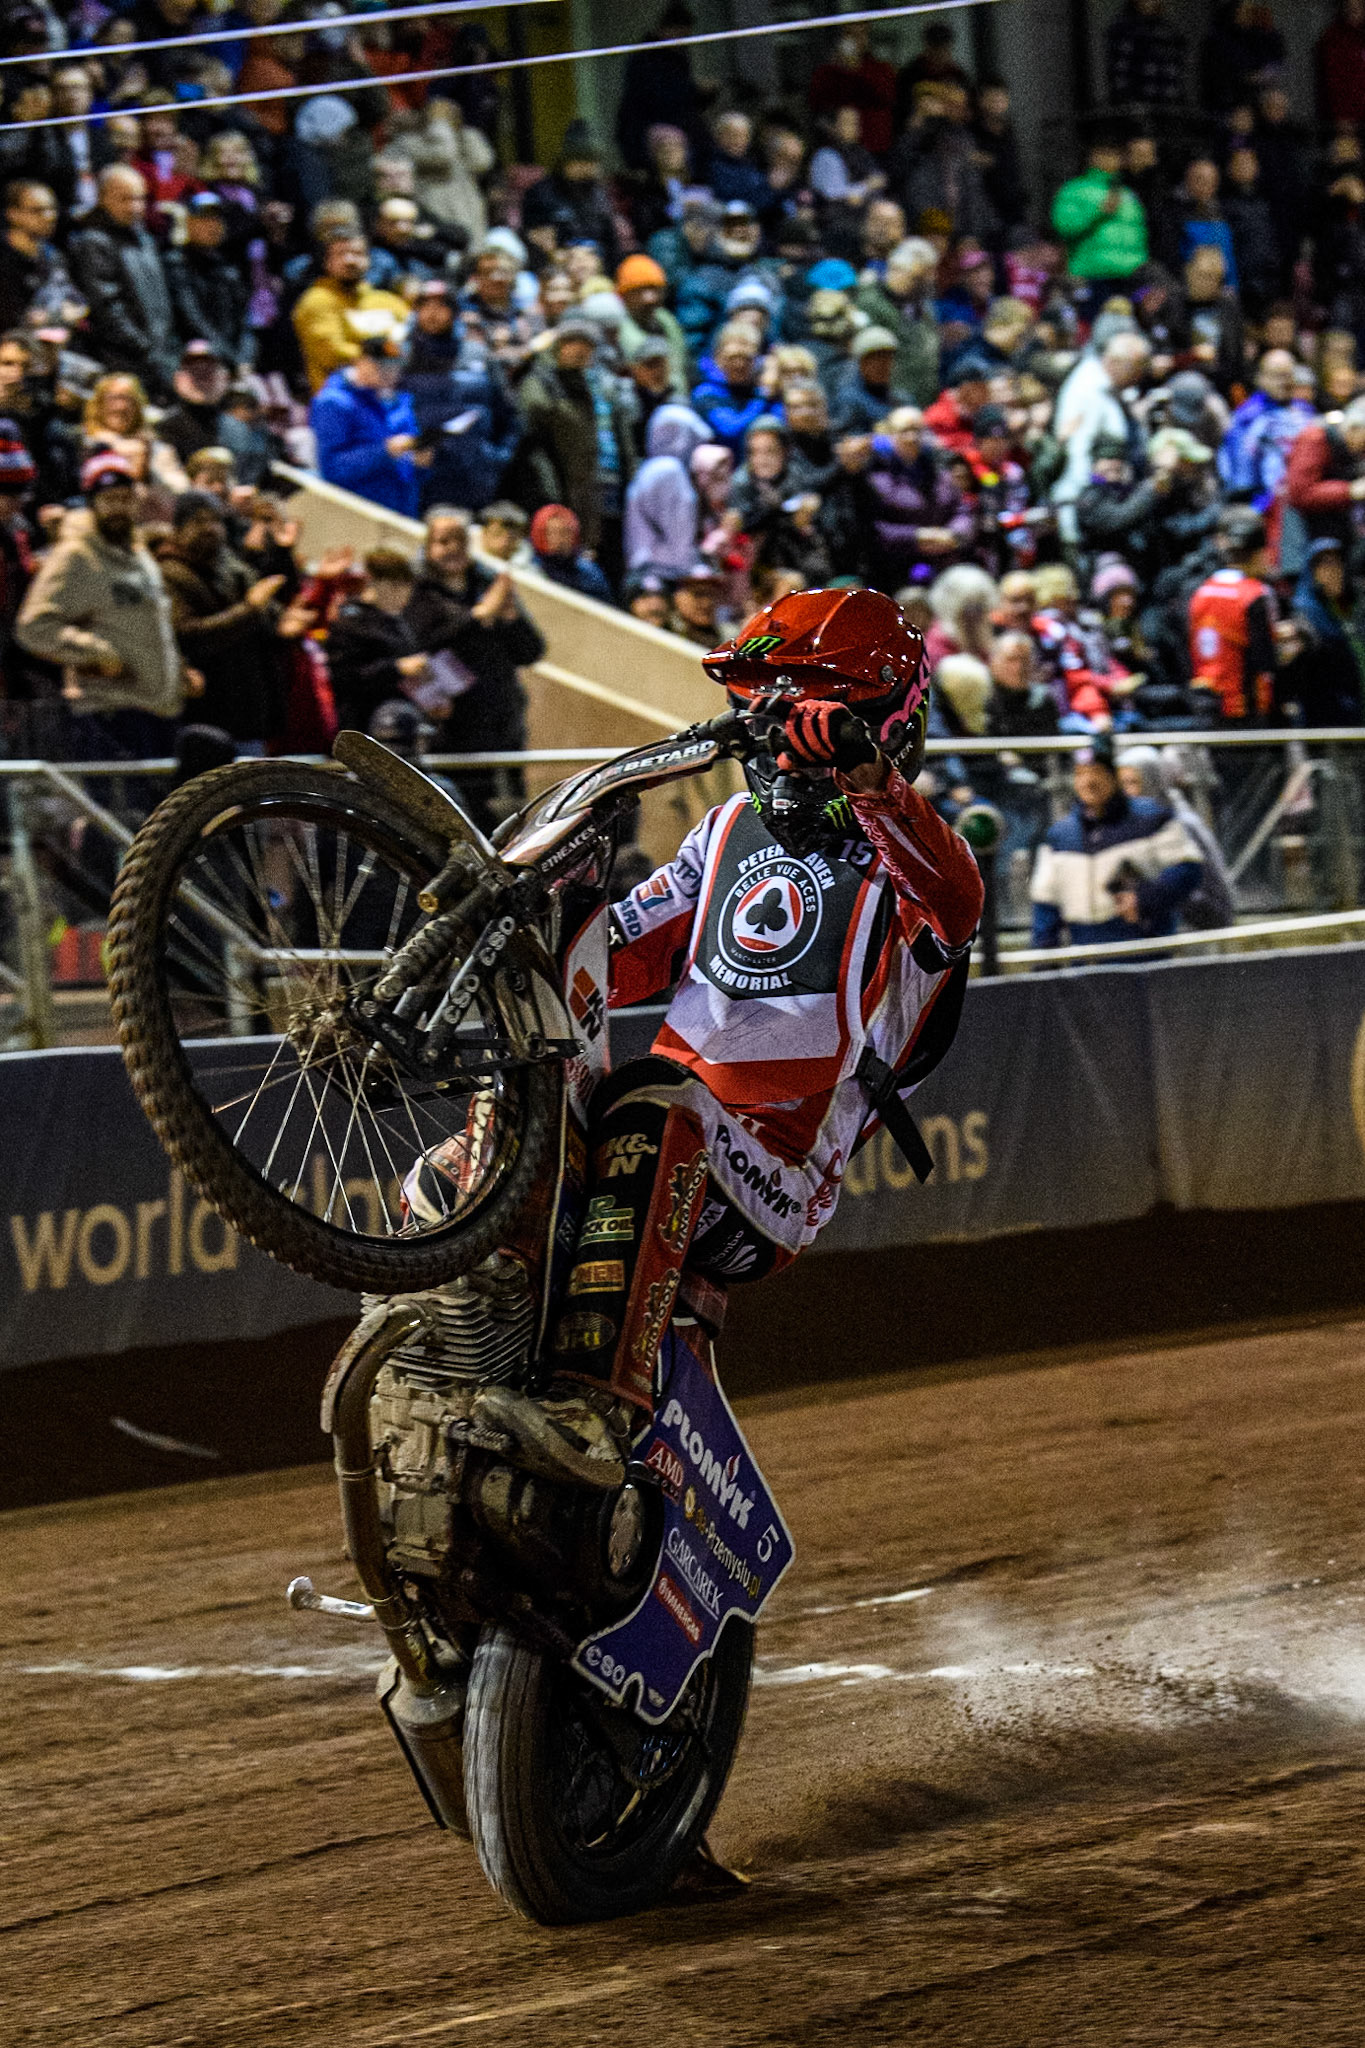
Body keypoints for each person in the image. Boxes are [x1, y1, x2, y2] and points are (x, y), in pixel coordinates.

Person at [478, 586, 982, 1476]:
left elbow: (954, 900)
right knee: (497, 1122)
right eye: (769, 720)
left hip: (774, 1181)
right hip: (658, 1129)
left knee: (652, 1101)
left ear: (882, 724)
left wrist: (869, 779)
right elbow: (615, 954)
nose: (782, 750)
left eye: (806, 723)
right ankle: (436, 1341)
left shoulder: (918, 866)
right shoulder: (722, 831)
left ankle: (593, 1409)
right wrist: (515, 938)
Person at [15, 451, 191, 760]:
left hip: (158, 709)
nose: (118, 507)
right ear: (92, 503)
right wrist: (98, 653)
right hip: (109, 715)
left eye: (125, 498)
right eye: (109, 499)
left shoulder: (138, 552)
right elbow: (34, 625)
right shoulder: (76, 555)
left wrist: (178, 671)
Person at [402, 506, 547, 832]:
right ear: (428, 546)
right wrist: (479, 616)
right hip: (451, 731)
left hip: (503, 726)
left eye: (460, 540)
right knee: (464, 822)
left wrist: (510, 619)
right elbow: (423, 642)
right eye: (443, 541)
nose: (453, 548)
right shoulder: (418, 592)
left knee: (511, 822)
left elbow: (531, 651)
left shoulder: (486, 584)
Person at [1030, 736, 1204, 950]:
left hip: (1145, 953)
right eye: (1080, 773)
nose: (1088, 782)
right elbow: (1046, 902)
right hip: (1085, 957)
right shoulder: (1060, 836)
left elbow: (1188, 867)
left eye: (1097, 772)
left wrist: (1145, 899)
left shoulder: (1151, 818)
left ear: (1114, 776)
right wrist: (1044, 959)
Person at [157, 490, 292, 747]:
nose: (209, 528)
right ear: (179, 528)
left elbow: (269, 607)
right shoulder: (169, 573)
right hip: (207, 713)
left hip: (247, 710)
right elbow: (188, 635)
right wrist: (250, 610)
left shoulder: (229, 565)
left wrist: (281, 625)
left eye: (215, 520)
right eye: (199, 521)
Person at [517, 319, 636, 574]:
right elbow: (535, 440)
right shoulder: (541, 382)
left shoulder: (597, 386)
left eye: (586, 344)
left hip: (600, 492)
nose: (579, 349)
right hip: (555, 493)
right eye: (571, 342)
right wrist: (551, 495)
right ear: (558, 346)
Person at [398, 281, 522, 515]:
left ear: (454, 312)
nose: (433, 313)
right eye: (426, 306)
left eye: (441, 306)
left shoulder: (479, 355)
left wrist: (496, 458)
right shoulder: (400, 358)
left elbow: (508, 414)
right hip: (419, 480)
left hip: (472, 478)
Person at [68, 165, 179, 393]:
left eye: (140, 199)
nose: (135, 207)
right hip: (121, 362)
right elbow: (106, 308)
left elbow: (162, 300)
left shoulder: (144, 239)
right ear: (103, 198)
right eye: (125, 199)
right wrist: (146, 348)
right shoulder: (92, 241)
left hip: (159, 359)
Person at [311, 335, 430, 516]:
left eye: (395, 367)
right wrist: (385, 451)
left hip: (402, 509)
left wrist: (420, 463)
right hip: (359, 513)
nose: (390, 374)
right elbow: (332, 468)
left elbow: (410, 463)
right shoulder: (333, 403)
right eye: (382, 367)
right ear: (361, 362)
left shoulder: (397, 401)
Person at [325, 546, 430, 734]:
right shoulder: (349, 623)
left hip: (402, 726)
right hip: (364, 726)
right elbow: (344, 677)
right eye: (398, 585)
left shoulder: (398, 622)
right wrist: (397, 668)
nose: (405, 594)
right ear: (378, 582)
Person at [1187, 508, 1277, 725]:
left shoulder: (1201, 592)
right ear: (1258, 553)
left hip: (1207, 704)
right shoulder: (1255, 594)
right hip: (1245, 708)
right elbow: (1265, 659)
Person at [292, 232, 409, 395]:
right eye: (340, 254)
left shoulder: (387, 301)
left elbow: (414, 337)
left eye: (357, 253)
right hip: (342, 399)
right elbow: (332, 354)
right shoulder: (316, 301)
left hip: (393, 398)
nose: (350, 260)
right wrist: (387, 356)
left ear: (369, 260)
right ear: (327, 262)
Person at [1051, 137, 1149, 297]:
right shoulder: (1074, 190)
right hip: (1092, 273)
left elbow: (1139, 232)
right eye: (1107, 154)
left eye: (1116, 155)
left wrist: (1141, 263)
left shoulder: (1127, 192)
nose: (1114, 159)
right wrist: (1098, 213)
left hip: (1131, 274)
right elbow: (1064, 226)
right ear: (1093, 157)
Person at [164, 191, 251, 369]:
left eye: (217, 219)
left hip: (234, 362)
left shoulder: (227, 266)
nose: (213, 225)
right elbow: (191, 319)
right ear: (188, 223)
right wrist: (232, 358)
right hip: (197, 363)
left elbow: (244, 322)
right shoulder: (176, 264)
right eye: (204, 219)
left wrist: (245, 358)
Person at [624, 404, 711, 581]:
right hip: (662, 576)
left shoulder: (650, 468)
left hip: (646, 572)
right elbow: (679, 537)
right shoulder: (670, 471)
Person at [529, 503, 614, 603]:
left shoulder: (590, 575)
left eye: (565, 532)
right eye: (552, 532)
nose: (559, 539)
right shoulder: (529, 566)